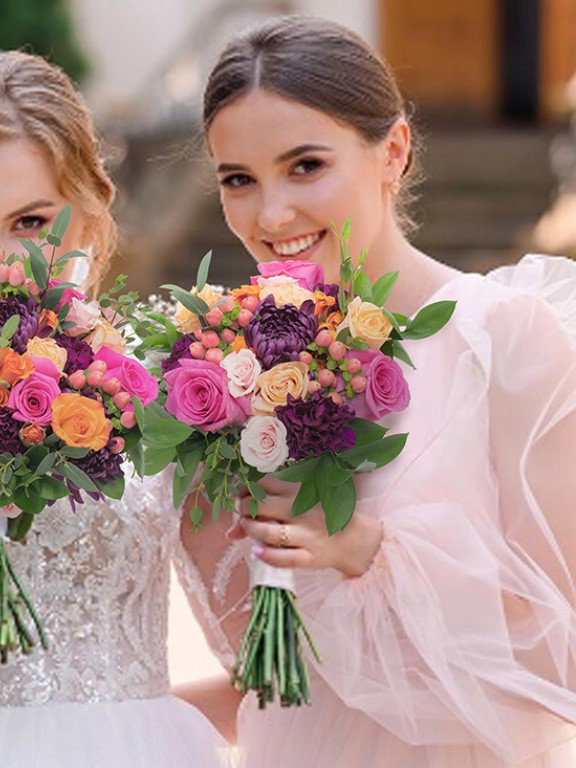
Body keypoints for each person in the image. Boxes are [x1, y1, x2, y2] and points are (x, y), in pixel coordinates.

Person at [177, 14, 576, 768]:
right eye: (240, 179)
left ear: (392, 151)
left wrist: (369, 551)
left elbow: (560, 655)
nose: (271, 215)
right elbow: (276, 679)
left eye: (305, 166)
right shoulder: (231, 369)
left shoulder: (506, 342)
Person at [0, 50, 231, 767]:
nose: (6, 263)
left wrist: (122, 721)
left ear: (88, 207)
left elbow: (270, 661)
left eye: (32, 221)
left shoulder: (169, 386)